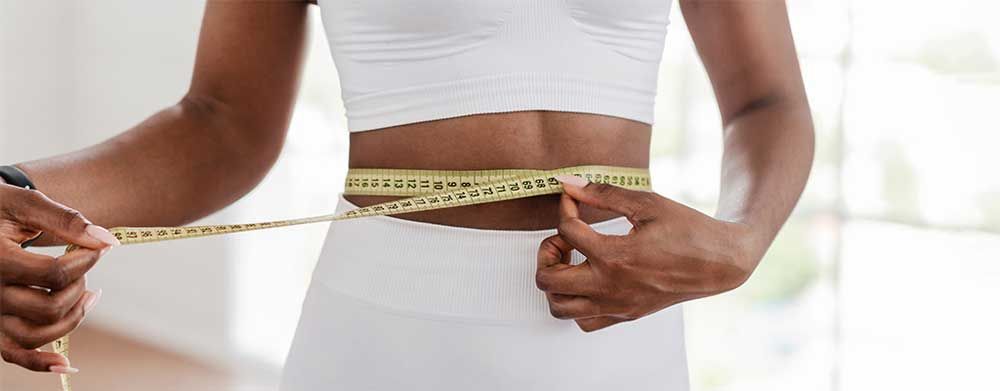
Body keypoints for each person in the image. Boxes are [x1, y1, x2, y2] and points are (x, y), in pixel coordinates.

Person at [0, 0, 814, 389]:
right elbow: (222, 121)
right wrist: (16, 196)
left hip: (619, 341)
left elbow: (765, 99)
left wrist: (742, 237)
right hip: (382, 337)